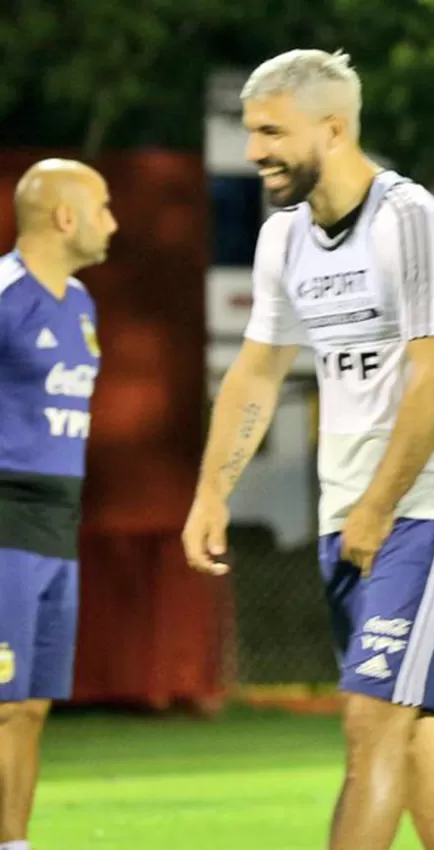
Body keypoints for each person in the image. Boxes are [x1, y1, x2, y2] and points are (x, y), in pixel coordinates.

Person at [179, 49, 434, 850]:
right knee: (414, 734)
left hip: (429, 507)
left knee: (369, 723)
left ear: (333, 127)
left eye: (270, 132)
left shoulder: (412, 220)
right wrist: (211, 494)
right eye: (250, 132)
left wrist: (379, 507)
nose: (254, 152)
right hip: (350, 509)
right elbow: (255, 374)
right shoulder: (284, 238)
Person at [0, 158, 116, 850]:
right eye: (103, 207)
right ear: (64, 216)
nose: (113, 222)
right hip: (4, 523)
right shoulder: (4, 293)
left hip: (56, 528)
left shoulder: (80, 303)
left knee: (32, 705)